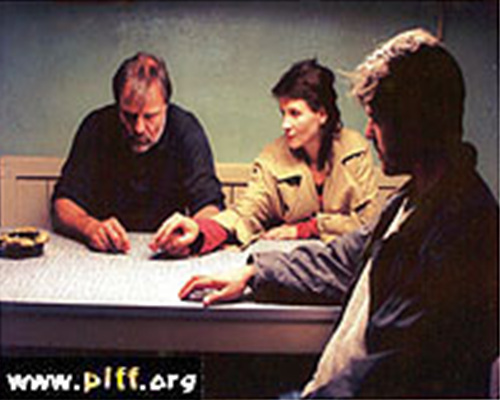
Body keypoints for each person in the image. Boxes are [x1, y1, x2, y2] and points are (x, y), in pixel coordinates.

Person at [178, 29, 499, 398]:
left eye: (377, 117)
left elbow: (390, 378)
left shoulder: (465, 233)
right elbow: (342, 258)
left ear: (414, 122)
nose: (370, 131)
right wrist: (253, 272)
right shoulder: (412, 202)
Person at [150, 59, 379, 256]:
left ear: (322, 114)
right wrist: (200, 232)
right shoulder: (272, 158)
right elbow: (246, 213)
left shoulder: (355, 150)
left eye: (295, 113)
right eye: (283, 113)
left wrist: (304, 229)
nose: (285, 124)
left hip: (349, 263)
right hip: (292, 263)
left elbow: (368, 223)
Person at [51, 52, 224, 253]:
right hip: (103, 252)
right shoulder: (96, 126)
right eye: (129, 116)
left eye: (150, 116)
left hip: (165, 253)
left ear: (166, 106)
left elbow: (210, 206)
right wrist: (89, 227)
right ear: (117, 106)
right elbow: (63, 205)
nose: (139, 128)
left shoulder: (186, 130)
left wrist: (194, 231)